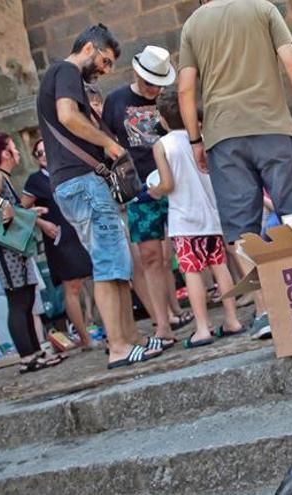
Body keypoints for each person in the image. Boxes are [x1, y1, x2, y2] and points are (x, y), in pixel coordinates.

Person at [177, 0, 292, 339]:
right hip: (273, 127)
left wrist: (195, 140)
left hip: (223, 137)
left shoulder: (193, 25)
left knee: (243, 231)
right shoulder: (263, 9)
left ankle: (268, 310)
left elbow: (185, 88)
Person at [37, 24, 163, 369]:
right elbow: (67, 115)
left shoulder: (65, 76)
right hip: (82, 183)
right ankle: (119, 347)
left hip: (81, 183)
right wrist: (109, 144)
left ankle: (131, 337)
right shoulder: (65, 70)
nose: (105, 71)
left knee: (118, 262)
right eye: (105, 61)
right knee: (109, 264)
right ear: (90, 48)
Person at [101, 45, 190, 346]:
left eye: (160, 82)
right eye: (150, 82)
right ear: (138, 74)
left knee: (189, 246)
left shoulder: (168, 98)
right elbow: (106, 142)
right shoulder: (116, 101)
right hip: (140, 189)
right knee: (150, 256)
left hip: (178, 181)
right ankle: (162, 324)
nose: (154, 88)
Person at [148, 90, 245, 347]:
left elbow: (167, 184)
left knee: (192, 272)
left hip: (185, 219)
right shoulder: (200, 139)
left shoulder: (162, 145)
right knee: (219, 266)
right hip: (210, 215)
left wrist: (154, 191)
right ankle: (232, 320)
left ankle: (202, 328)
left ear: (164, 119)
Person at [0, 132, 64, 373]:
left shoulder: (5, 179)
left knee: (26, 300)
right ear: (4, 154)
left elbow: (15, 214)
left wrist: (35, 217)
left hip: (16, 251)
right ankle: (27, 357)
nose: (18, 152)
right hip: (5, 252)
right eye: (13, 148)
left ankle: (36, 351)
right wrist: (3, 204)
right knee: (18, 303)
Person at [21, 139, 95, 348]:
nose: (44, 155)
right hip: (60, 238)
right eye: (39, 153)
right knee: (71, 285)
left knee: (96, 277)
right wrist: (41, 223)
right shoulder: (35, 181)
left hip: (81, 231)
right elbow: (21, 211)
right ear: (36, 158)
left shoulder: (67, 170)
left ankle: (98, 325)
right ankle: (84, 337)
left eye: (46, 150)